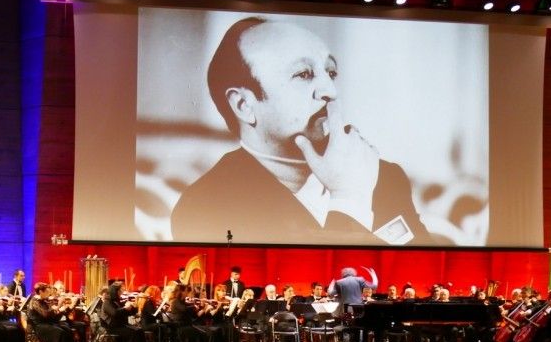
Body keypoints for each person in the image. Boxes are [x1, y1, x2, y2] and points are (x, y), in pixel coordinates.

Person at [170, 17, 432, 246]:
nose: (330, 91)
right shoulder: (205, 204)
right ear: (244, 105)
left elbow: (421, 278)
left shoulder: (382, 176)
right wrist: (348, 199)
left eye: (331, 72)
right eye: (304, 74)